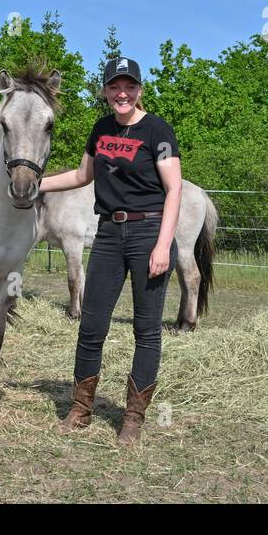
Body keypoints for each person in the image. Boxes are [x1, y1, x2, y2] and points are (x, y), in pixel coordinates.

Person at [38, 55, 182, 444]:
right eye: (115, 87)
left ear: (139, 90)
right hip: (107, 234)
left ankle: (133, 417)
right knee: (91, 325)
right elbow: (82, 175)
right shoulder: (100, 130)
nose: (123, 93)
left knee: (146, 329)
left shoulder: (158, 131)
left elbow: (174, 189)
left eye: (129, 86)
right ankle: (81, 408)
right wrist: (36, 184)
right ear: (105, 91)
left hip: (148, 232)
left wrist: (164, 244)